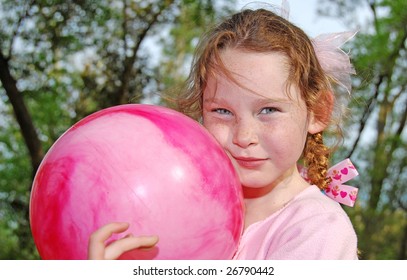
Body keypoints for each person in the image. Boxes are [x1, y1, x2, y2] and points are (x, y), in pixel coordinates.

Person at [88, 6, 358, 260]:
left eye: (269, 110)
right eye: (223, 112)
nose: (244, 136)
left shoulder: (318, 229)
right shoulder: (184, 206)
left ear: (318, 111)